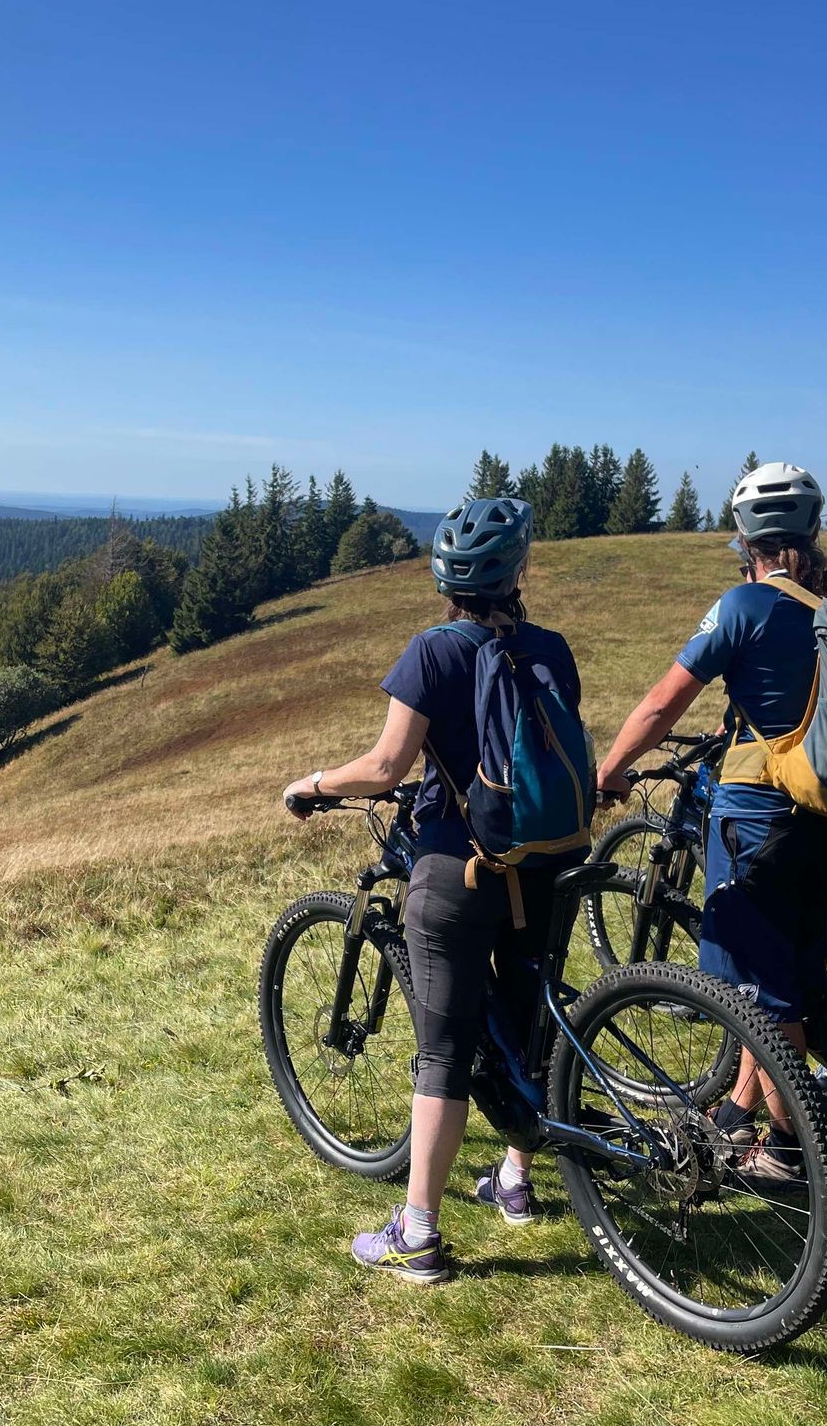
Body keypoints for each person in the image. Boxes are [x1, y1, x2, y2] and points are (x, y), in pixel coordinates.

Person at [281, 496, 585, 1283]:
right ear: (518, 572)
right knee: (527, 1009)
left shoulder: (433, 651)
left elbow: (387, 769)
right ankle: (515, 1179)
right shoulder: (551, 646)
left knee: (443, 1052)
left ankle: (417, 1233)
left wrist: (315, 783)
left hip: (460, 868)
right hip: (546, 859)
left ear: (444, 578)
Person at [596, 462, 827, 1179]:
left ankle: (787, 1151)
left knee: (763, 996)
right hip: (824, 815)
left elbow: (661, 703)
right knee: (775, 980)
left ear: (745, 537)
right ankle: (740, 1118)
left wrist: (610, 770)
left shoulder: (746, 606)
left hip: (759, 820)